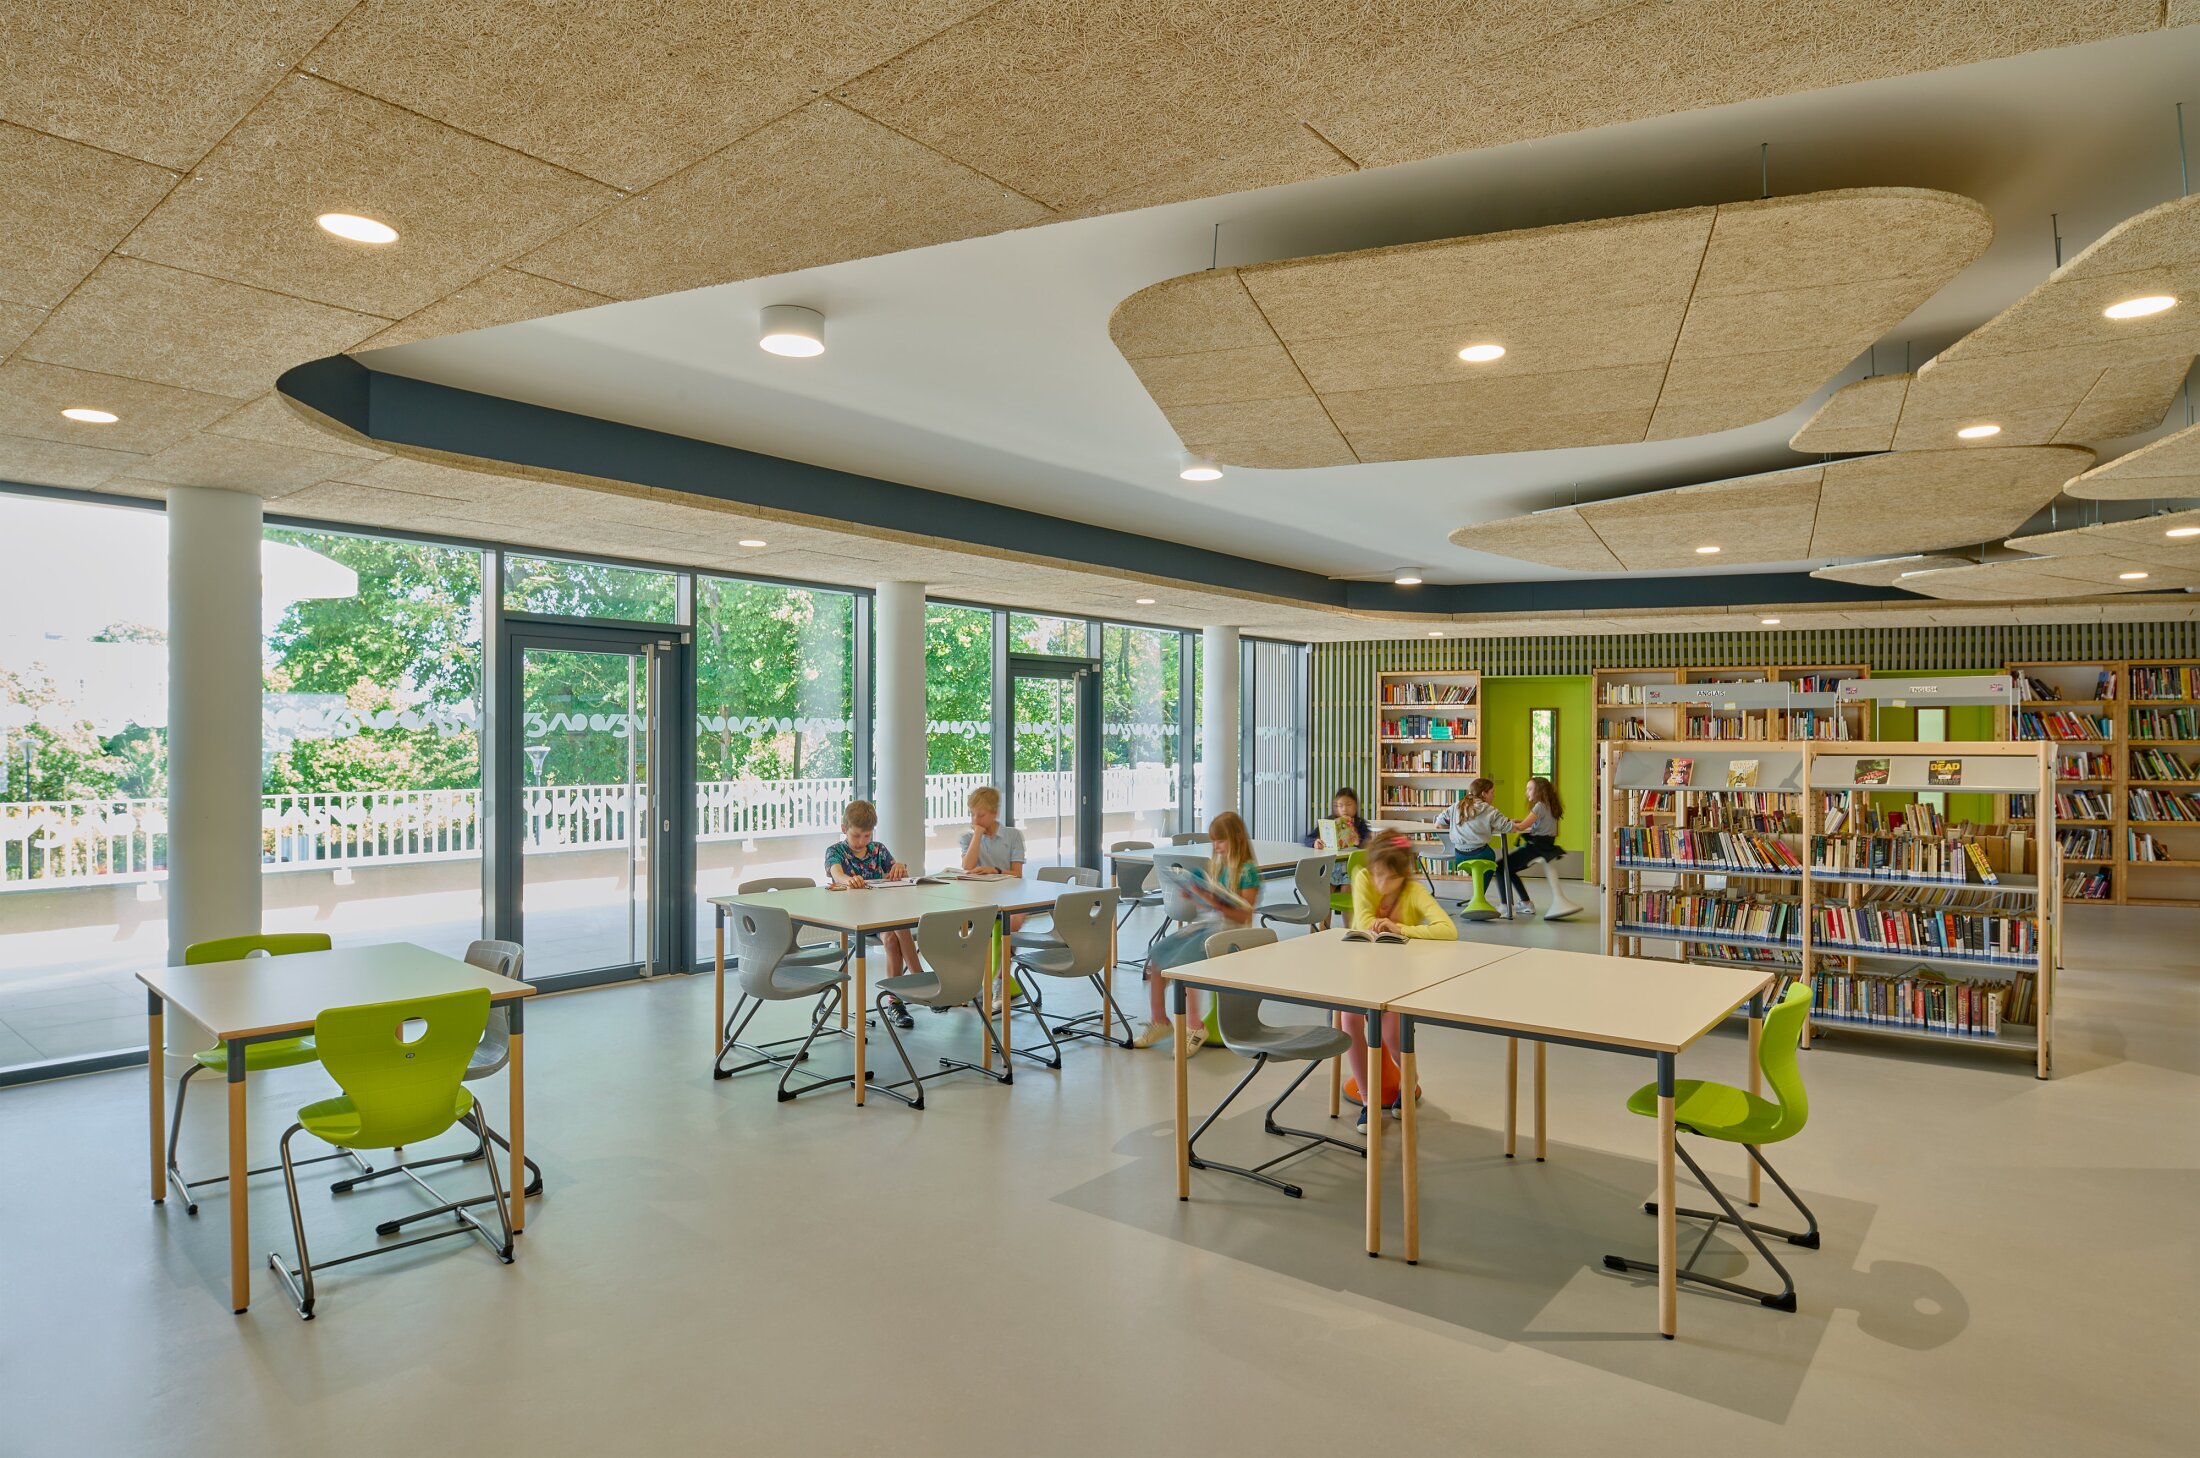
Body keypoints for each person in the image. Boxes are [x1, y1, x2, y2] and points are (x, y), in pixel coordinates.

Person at [1343, 835, 1457, 1130]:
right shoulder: (1363, 878)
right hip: (1361, 974)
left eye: (1390, 878)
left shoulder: (1414, 891)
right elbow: (1363, 921)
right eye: (1378, 874)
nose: (1381, 883)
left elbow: (1448, 929)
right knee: (1349, 1019)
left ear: (1403, 876)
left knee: (1394, 1034)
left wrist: (1401, 928)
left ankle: (1410, 1084)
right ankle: (1369, 1102)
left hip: (1400, 981)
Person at [1131, 811, 1261, 1050]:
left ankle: (1195, 1026)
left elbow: (1244, 914)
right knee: (1158, 957)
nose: (1216, 846)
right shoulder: (1218, 867)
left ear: (1237, 839)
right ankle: (1159, 1021)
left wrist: (1215, 902)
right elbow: (1210, 908)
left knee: (1189, 966)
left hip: (1230, 934)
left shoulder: (1247, 871)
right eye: (1214, 841)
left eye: (1221, 840)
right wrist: (1196, 894)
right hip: (1208, 927)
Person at [824, 800, 920, 1028]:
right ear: (843, 829)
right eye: (856, 836)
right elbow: (836, 873)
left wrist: (900, 869)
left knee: (891, 937)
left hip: (881, 918)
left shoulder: (879, 850)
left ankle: (895, 1002)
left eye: (867, 836)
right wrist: (849, 880)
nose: (862, 842)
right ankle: (919, 979)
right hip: (853, 916)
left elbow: (896, 872)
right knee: (896, 922)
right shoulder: (835, 851)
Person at [1434, 777, 1532, 913]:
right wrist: (1513, 823)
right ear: (1484, 794)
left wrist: (1457, 827)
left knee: (1479, 866)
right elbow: (1510, 828)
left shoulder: (1457, 805)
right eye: (1492, 792)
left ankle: (1476, 899)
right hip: (1480, 855)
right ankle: (1478, 899)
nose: (1494, 795)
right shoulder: (1489, 809)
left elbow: (1438, 823)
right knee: (1491, 860)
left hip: (1459, 856)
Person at [1499, 776, 1565, 916]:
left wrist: (1505, 823)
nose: (1526, 792)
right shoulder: (1549, 805)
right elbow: (1535, 824)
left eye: (1529, 789)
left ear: (1539, 790)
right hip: (1545, 845)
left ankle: (1505, 906)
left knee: (1500, 867)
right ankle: (1526, 903)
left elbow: (1522, 827)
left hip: (1536, 847)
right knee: (1509, 869)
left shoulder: (1539, 806)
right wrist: (1519, 822)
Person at [1309, 786, 1372, 885]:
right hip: (1331, 866)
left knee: (1346, 888)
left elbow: (1370, 843)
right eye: (1340, 805)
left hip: (1351, 867)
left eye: (1348, 804)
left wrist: (1358, 841)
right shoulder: (1328, 822)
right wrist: (1315, 843)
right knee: (1326, 887)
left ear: (1355, 807)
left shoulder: (1360, 824)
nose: (1344, 809)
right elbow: (1308, 838)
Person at [958, 786, 1026, 875]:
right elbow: (967, 867)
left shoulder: (1013, 835)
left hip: (1005, 886)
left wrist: (996, 871)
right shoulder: (967, 838)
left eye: (981, 815)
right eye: (972, 814)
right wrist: (978, 834)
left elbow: (1017, 874)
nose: (975, 820)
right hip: (977, 887)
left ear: (995, 813)